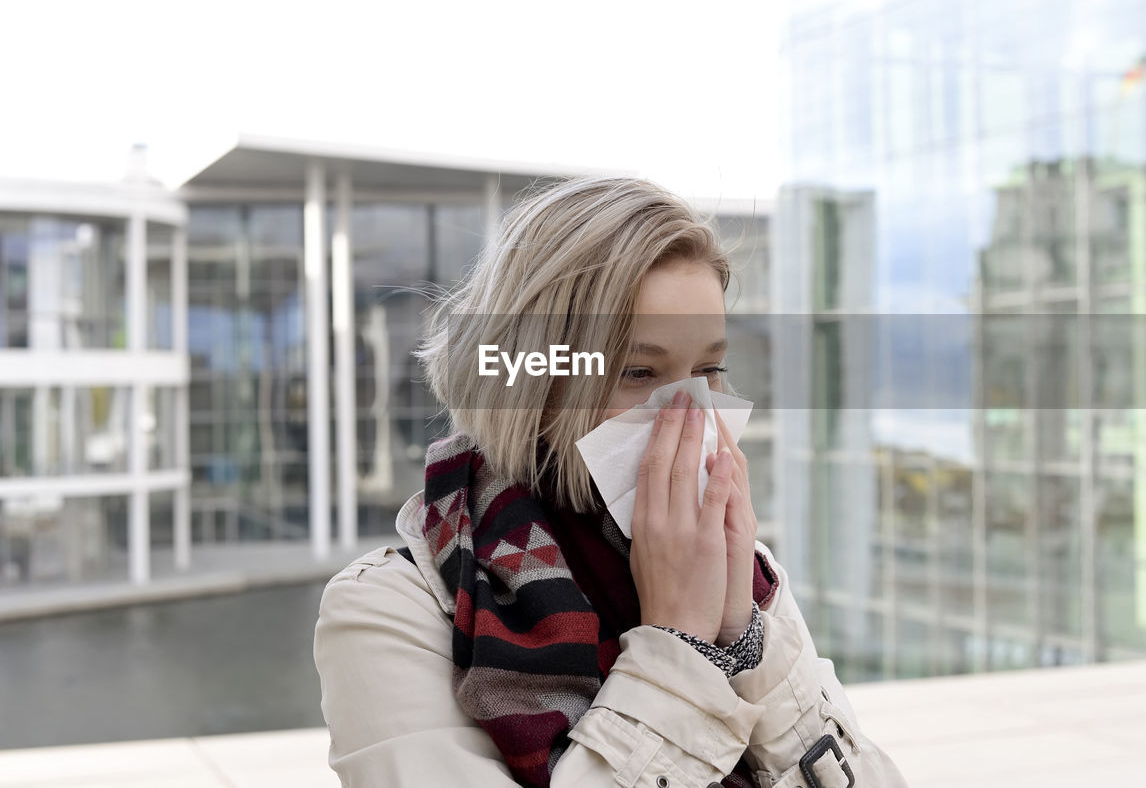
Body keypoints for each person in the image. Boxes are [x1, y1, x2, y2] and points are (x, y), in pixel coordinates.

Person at [313, 177, 909, 788]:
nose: (690, 410)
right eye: (639, 371)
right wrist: (679, 648)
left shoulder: (745, 574)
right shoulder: (388, 614)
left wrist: (742, 642)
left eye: (710, 369)